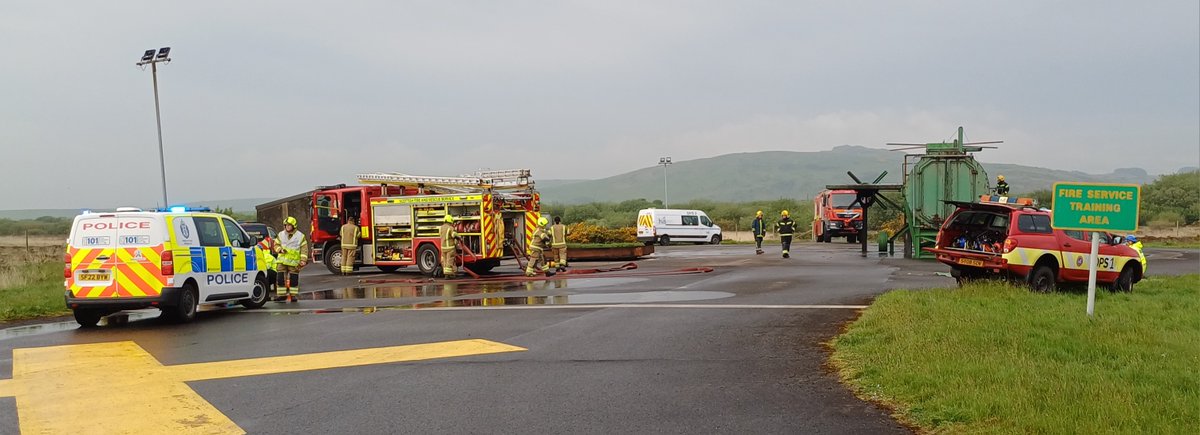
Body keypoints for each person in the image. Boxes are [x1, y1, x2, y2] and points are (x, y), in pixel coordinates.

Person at [273, 216, 308, 302]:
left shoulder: (300, 236)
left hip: (293, 262)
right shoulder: (281, 234)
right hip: (282, 261)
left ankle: (293, 295)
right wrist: (280, 250)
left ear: (294, 226)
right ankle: (281, 295)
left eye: (289, 225)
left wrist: (303, 260)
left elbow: (304, 249)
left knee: (293, 279)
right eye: (286, 225)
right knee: (280, 278)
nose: (287, 227)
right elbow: (276, 245)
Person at [439, 215, 459, 279]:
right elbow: (454, 235)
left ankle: (446, 274)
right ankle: (448, 275)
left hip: (443, 248)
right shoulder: (450, 228)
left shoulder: (441, 228)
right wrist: (459, 237)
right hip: (450, 247)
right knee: (450, 260)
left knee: (444, 261)